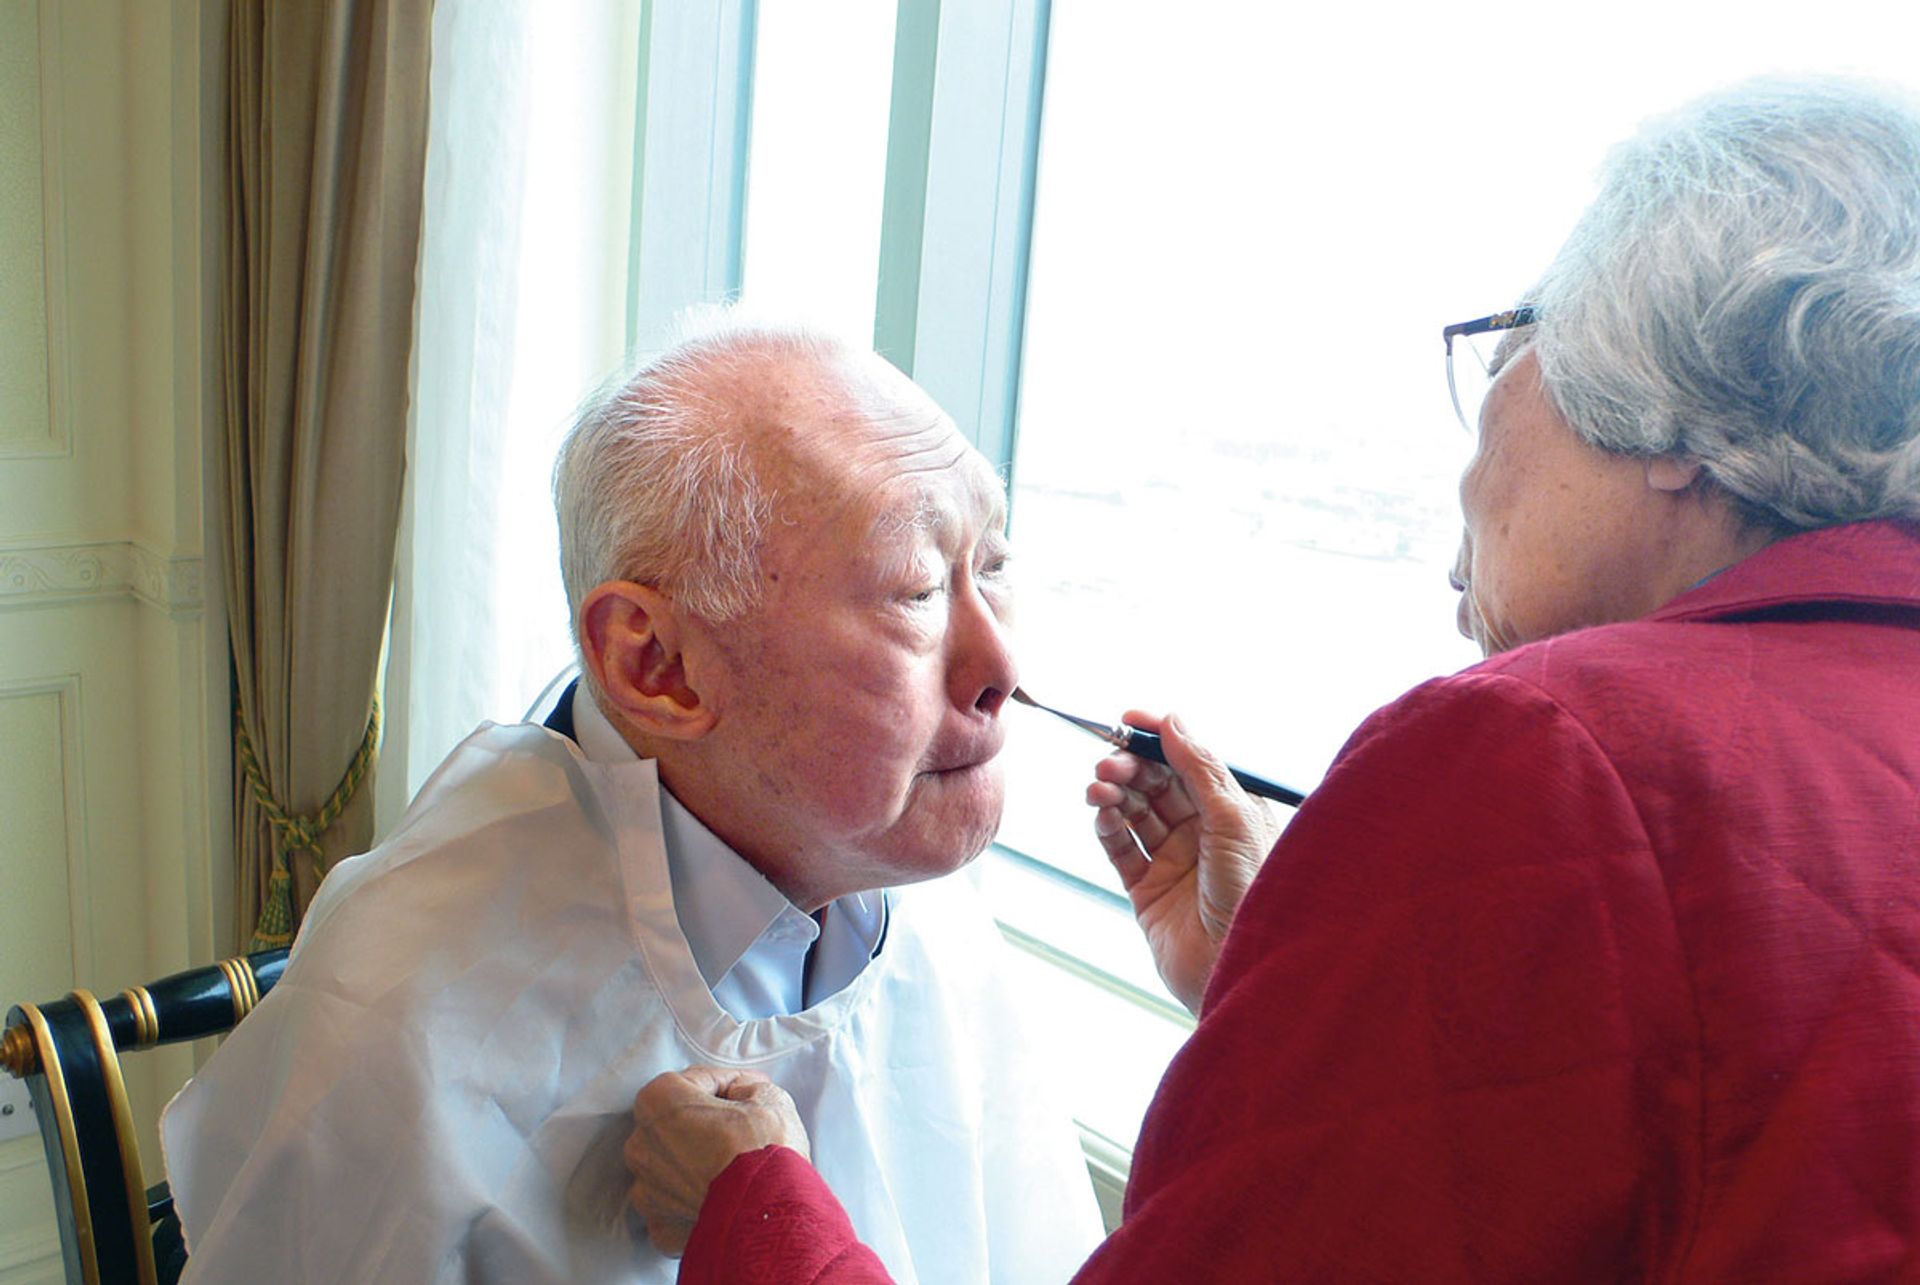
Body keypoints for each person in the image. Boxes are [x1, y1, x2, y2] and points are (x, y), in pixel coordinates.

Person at [623, 75, 1920, 1281]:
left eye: (1513, 340)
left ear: (1681, 403)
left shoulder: (1540, 748)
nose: (996, 666)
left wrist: (758, 1220)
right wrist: (1304, 1004)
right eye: (913, 586)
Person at [159, 322, 1104, 1282]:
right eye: (916, 591)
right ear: (657, 664)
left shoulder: (915, 894)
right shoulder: (407, 1029)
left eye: (991, 564)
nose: (1003, 670)